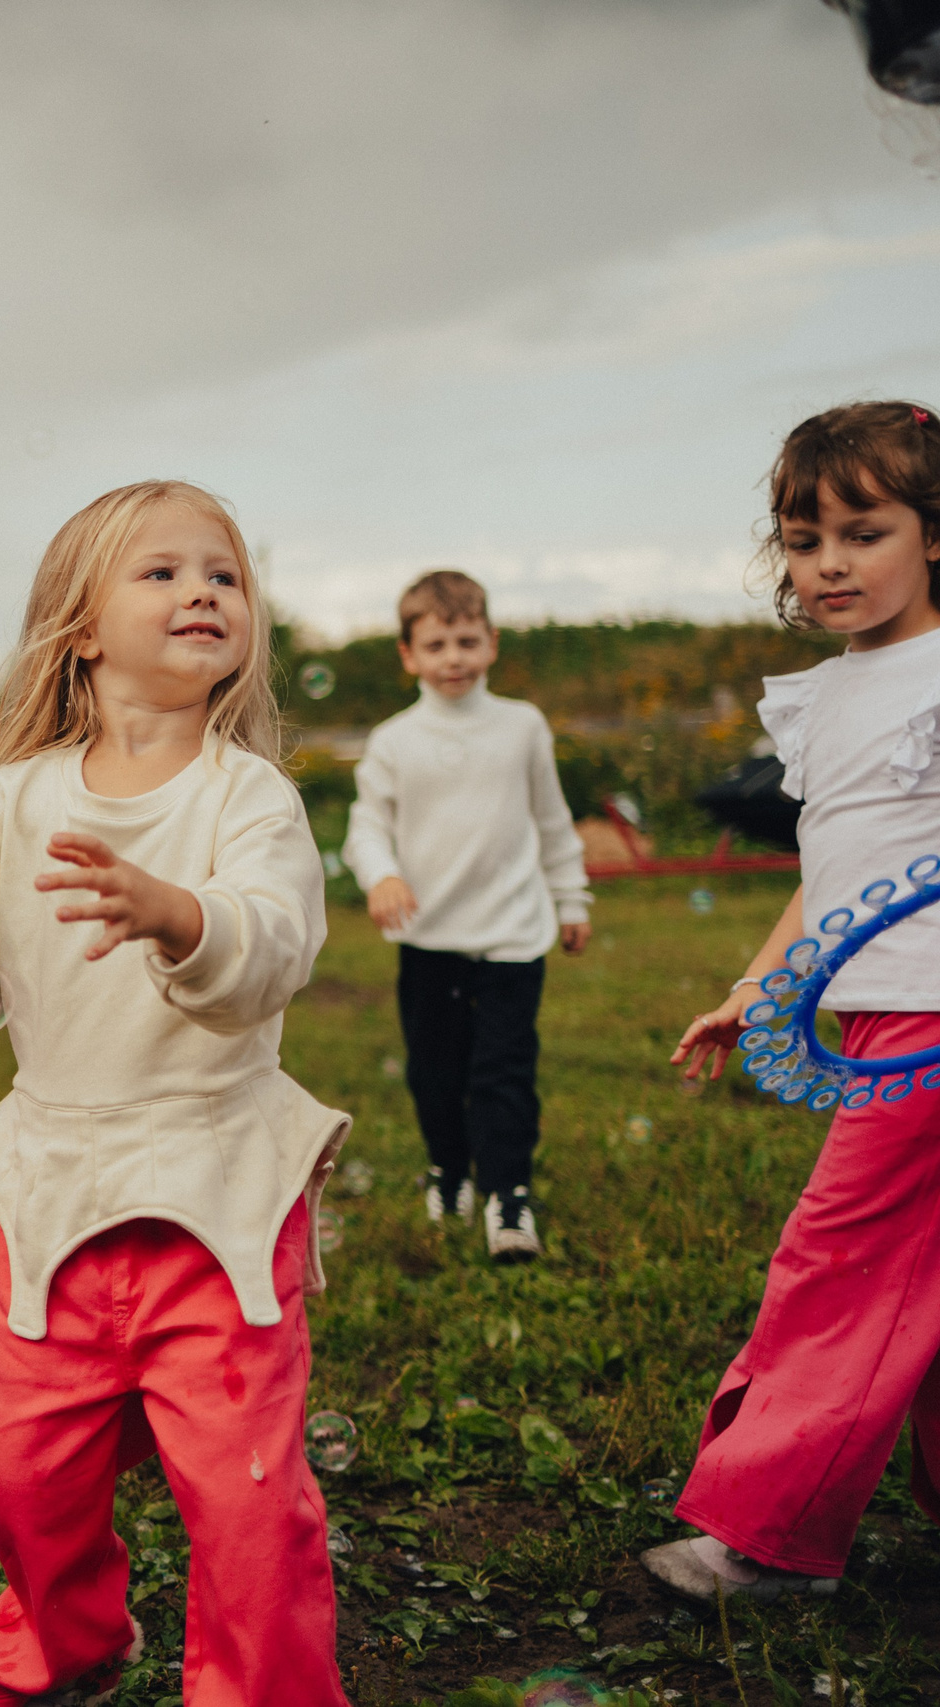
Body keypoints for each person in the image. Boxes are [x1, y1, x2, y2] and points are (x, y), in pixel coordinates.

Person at [0, 480, 352, 1707]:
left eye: (224, 573)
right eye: (160, 572)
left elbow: (271, 948)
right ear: (79, 628)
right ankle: (70, 1637)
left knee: (247, 1505)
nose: (201, 589)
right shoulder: (17, 800)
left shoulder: (248, 795)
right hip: (54, 1194)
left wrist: (178, 914)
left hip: (218, 1194)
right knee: (20, 1476)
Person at [646, 399, 940, 1603]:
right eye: (800, 537)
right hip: (878, 1020)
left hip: (930, 1024)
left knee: (841, 1261)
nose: (826, 562)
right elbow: (833, 883)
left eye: (861, 532)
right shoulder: (823, 701)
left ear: (933, 535)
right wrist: (754, 988)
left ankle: (771, 1536)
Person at [340, 570, 592, 1262]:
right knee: (435, 1072)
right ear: (408, 654)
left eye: (466, 640)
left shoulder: (522, 727)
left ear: (492, 644)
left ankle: (508, 1194)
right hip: (429, 941)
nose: (452, 656)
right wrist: (381, 873)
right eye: (436, 643)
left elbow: (552, 821)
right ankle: (448, 1169)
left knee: (503, 1071)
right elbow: (367, 825)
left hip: (513, 935)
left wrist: (571, 899)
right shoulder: (394, 740)